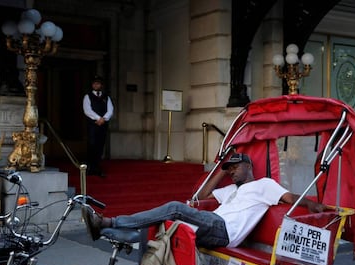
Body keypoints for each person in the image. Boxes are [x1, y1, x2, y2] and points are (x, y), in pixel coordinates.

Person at [82, 153, 328, 248]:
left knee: (175, 208)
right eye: (228, 169)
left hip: (224, 230)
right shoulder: (232, 188)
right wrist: (221, 171)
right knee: (168, 230)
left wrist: (310, 203)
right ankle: (116, 234)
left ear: (247, 166)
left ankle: (109, 223)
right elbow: (199, 197)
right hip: (212, 224)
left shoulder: (264, 185)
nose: (231, 172)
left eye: (234, 167)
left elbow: (289, 197)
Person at [83, 75, 114, 177]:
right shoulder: (88, 96)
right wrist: (98, 118)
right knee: (92, 145)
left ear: (101, 85)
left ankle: (97, 167)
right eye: (94, 83)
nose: (96, 85)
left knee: (100, 146)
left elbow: (110, 110)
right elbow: (87, 110)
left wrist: (104, 119)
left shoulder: (106, 97)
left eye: (98, 83)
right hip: (93, 125)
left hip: (102, 125)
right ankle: (89, 167)